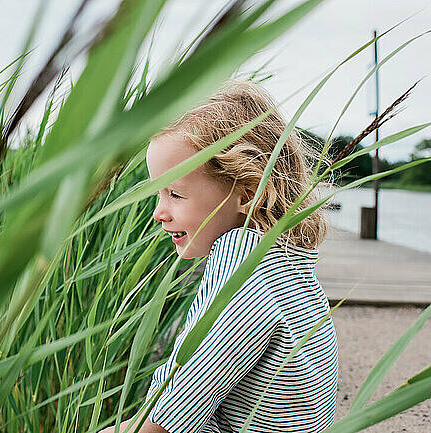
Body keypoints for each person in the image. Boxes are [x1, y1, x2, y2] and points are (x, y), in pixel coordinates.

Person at [99, 80, 338, 433]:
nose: (158, 212)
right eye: (158, 194)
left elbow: (172, 414)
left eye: (175, 194)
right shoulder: (289, 268)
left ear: (248, 193)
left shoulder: (243, 285)